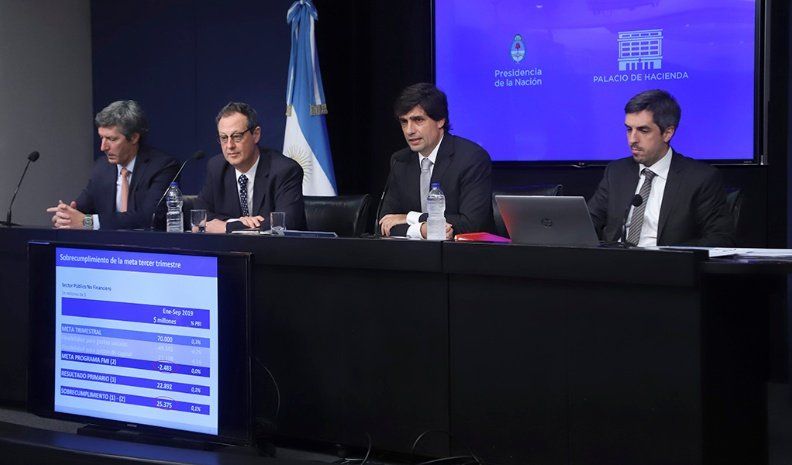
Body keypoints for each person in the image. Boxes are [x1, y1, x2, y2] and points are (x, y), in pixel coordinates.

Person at [587, 89, 735, 247]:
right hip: (614, 259)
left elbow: (720, 238)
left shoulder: (700, 178)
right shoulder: (616, 171)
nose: (632, 140)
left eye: (643, 130)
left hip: (666, 260)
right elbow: (589, 222)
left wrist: (666, 254)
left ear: (667, 133)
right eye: (629, 129)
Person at [378, 83, 494, 239]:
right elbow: (385, 223)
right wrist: (421, 230)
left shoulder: (471, 158)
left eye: (418, 120)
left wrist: (410, 218)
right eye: (404, 122)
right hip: (411, 252)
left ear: (440, 120)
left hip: (462, 252)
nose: (409, 130)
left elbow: (471, 224)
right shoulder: (400, 161)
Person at [47, 100, 178, 230]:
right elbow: (81, 207)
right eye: (101, 138)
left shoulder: (162, 166)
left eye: (111, 139)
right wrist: (66, 216)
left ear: (134, 138)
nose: (103, 147)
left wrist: (88, 222)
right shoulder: (102, 167)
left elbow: (149, 217)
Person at [196, 102, 306, 233]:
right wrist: (237, 222)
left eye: (237, 136)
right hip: (230, 246)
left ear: (256, 134)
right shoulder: (217, 167)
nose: (229, 145)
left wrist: (227, 227)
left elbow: (287, 222)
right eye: (224, 138)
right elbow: (198, 218)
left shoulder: (285, 170)